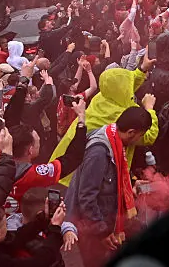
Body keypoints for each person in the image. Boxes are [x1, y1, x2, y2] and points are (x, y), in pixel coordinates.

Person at [65, 106, 156, 267]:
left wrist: (132, 186)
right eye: (140, 136)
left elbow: (110, 179)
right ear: (131, 132)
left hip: (106, 222)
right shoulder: (99, 152)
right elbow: (86, 197)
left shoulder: (112, 136)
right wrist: (101, 232)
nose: (138, 141)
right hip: (93, 229)